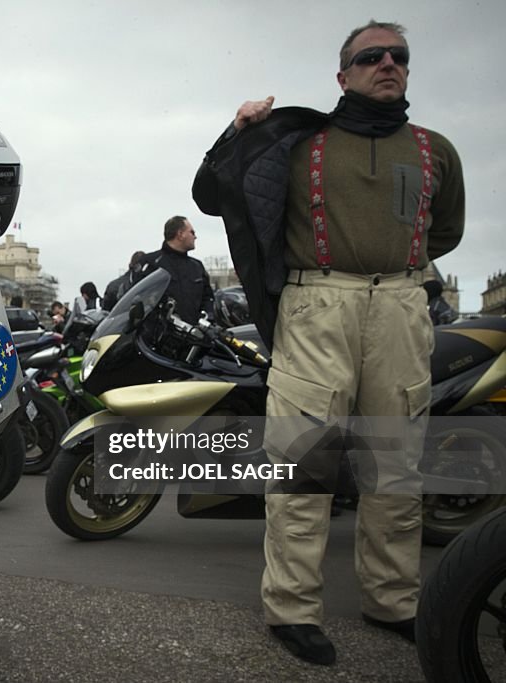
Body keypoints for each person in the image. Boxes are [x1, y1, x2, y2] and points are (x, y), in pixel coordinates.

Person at [193, 21, 464, 666]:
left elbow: (445, 233)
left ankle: (394, 600)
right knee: (304, 465)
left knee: (395, 466)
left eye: (399, 56)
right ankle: (290, 607)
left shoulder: (436, 150)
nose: (388, 64)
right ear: (343, 75)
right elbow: (209, 195)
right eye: (371, 57)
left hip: (400, 304)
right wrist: (237, 132)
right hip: (317, 303)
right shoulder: (294, 140)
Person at [140, 216, 214, 324]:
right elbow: (139, 299)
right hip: (160, 336)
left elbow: (208, 297)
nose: (195, 237)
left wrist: (207, 317)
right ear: (180, 234)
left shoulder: (196, 266)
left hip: (193, 335)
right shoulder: (151, 263)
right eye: (192, 232)